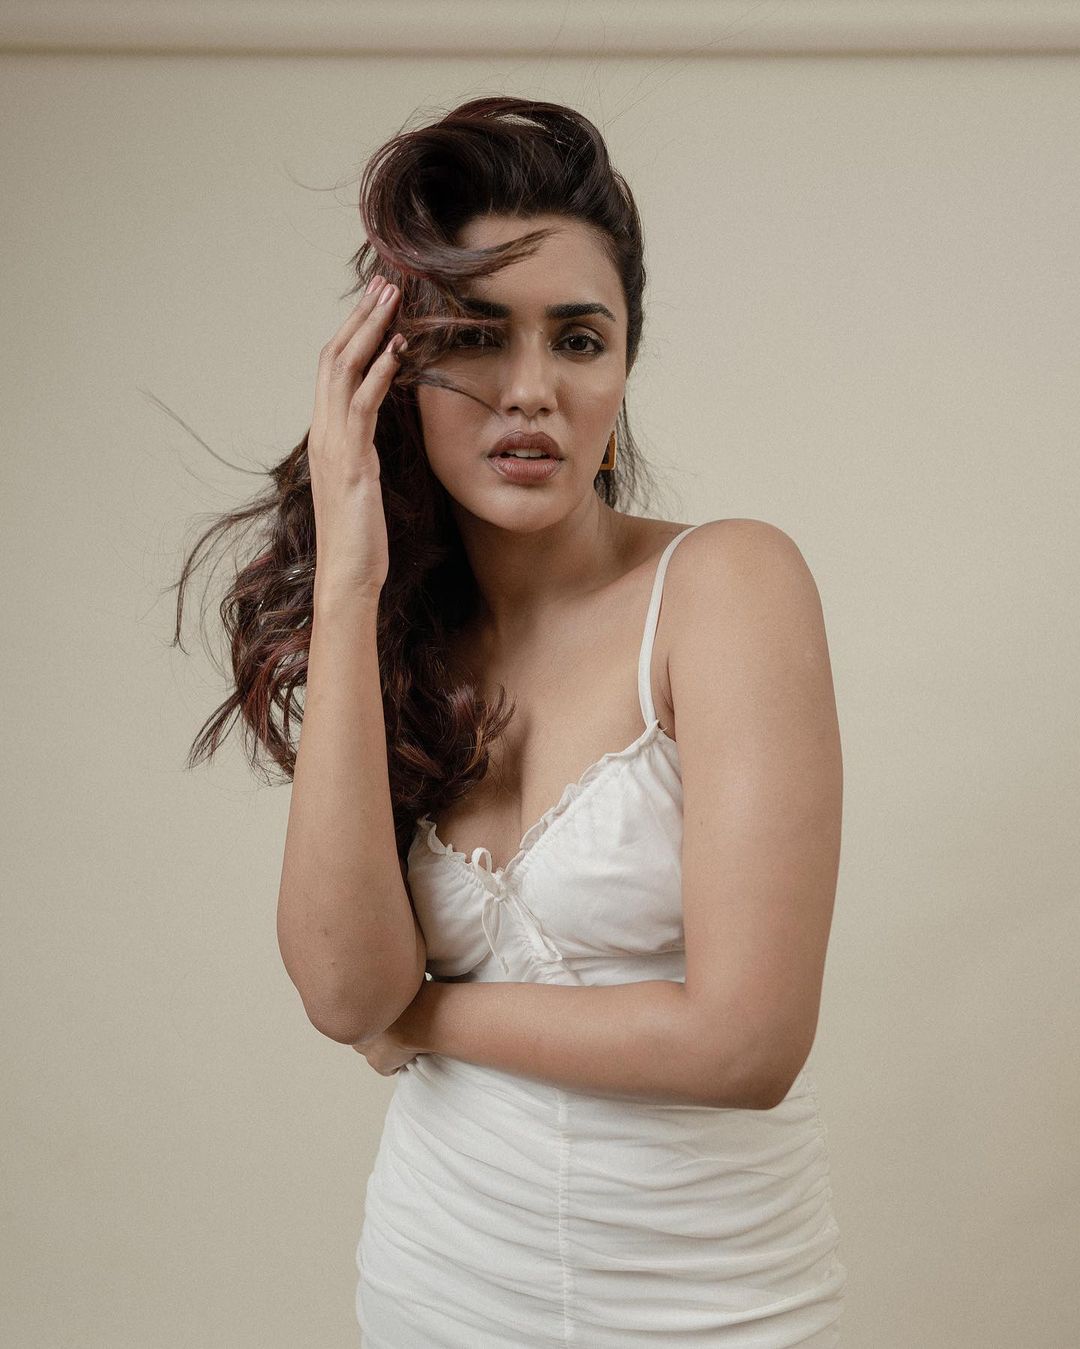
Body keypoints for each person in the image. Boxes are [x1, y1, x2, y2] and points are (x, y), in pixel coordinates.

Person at [175, 95, 846, 1346]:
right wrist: (350, 581)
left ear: (623, 369)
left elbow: (747, 1042)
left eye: (579, 339)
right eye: (477, 338)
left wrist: (425, 1016)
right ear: (395, 373)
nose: (531, 389)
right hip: (437, 1281)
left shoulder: (727, 585)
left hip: (714, 1303)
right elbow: (344, 987)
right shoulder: (401, 636)